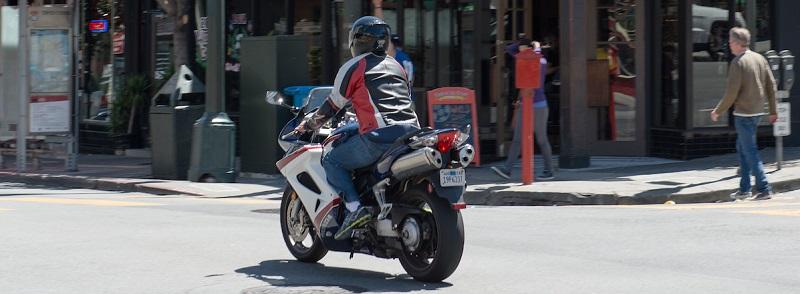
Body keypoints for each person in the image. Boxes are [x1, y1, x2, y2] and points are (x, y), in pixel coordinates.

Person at [294, 16, 420, 240]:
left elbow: (332, 105)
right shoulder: (397, 65)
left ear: (357, 41)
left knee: (332, 159)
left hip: (380, 137)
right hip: (411, 133)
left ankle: (354, 209)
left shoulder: (355, 66)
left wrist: (309, 123)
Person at [710, 27, 777, 201]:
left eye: (731, 41)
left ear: (739, 43)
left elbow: (731, 93)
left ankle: (764, 188)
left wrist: (718, 111)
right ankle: (744, 189)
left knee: (750, 151)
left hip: (744, 115)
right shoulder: (759, 58)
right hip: (756, 113)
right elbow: (771, 85)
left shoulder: (738, 62)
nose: (729, 45)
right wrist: (773, 110)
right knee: (743, 149)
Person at [492, 38, 555, 181]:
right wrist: (525, 44)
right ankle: (507, 169)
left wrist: (536, 47)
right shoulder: (522, 58)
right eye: (520, 48)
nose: (521, 50)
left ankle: (549, 170)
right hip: (525, 103)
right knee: (517, 139)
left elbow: (536, 58)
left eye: (525, 48)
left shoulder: (541, 61)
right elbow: (509, 49)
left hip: (538, 105)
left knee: (541, 139)